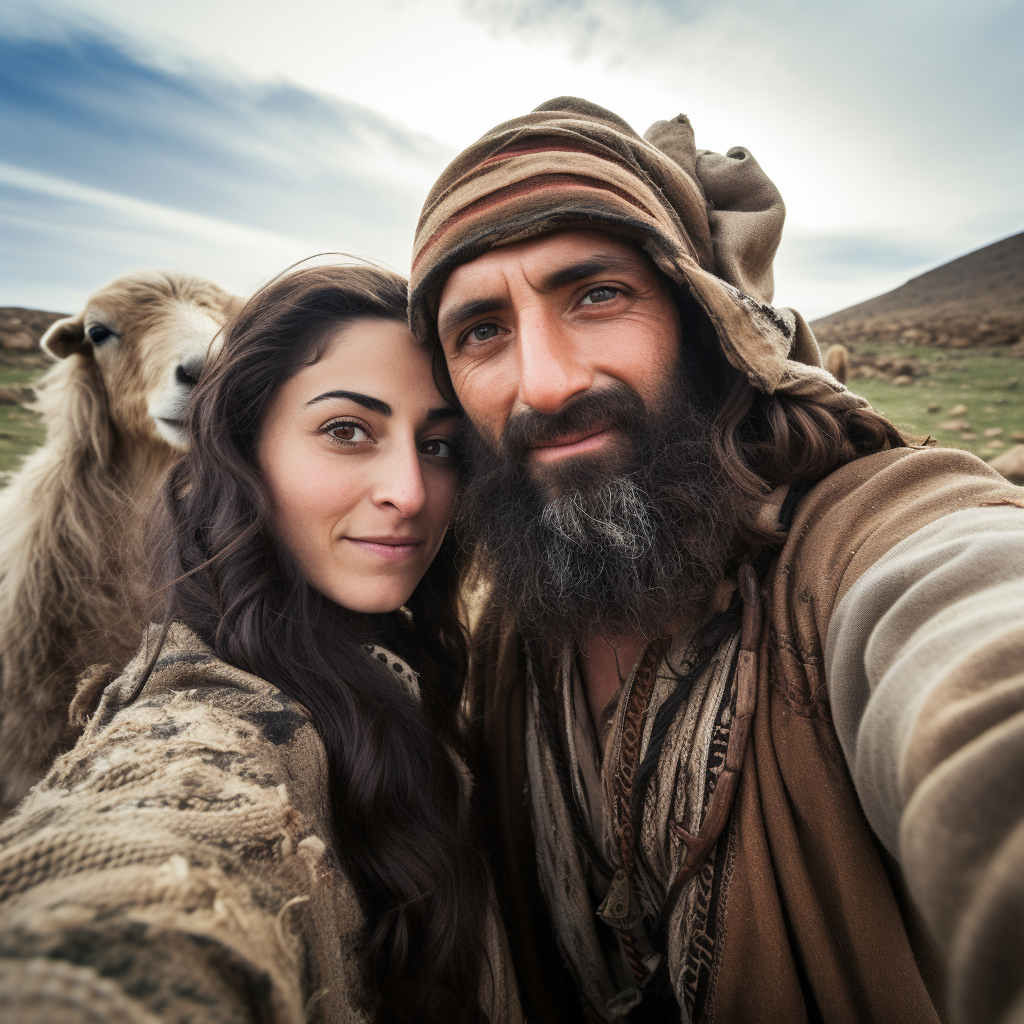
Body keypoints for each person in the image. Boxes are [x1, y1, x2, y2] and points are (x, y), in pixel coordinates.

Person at [407, 97, 1024, 1024]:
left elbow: (969, 637)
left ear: (700, 317)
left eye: (596, 294)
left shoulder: (863, 536)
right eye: (482, 330)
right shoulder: (509, 628)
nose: (546, 382)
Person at [0, 264, 522, 1024]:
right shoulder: (201, 715)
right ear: (244, 448)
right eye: (346, 430)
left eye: (440, 445)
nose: (408, 492)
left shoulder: (427, 656)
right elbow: (164, 821)